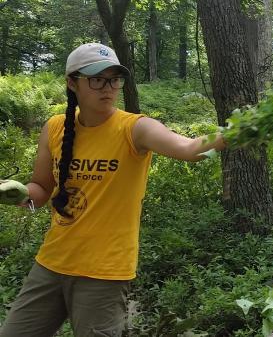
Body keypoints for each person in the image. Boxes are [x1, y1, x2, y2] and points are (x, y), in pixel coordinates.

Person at [0, 42, 226, 337]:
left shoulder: (135, 128)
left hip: (104, 272)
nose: (108, 88)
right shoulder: (54, 128)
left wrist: (236, 130)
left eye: (114, 79)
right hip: (52, 263)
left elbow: (189, 148)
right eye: (96, 79)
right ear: (72, 83)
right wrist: (17, 192)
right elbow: (41, 188)